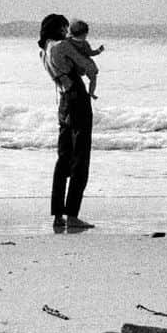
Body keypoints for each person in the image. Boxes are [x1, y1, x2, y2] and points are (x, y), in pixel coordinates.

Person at [39, 14, 98, 230]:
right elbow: (87, 68)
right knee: (80, 159)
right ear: (60, 28)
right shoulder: (63, 46)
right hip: (77, 99)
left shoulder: (43, 51)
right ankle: (73, 215)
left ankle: (58, 216)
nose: (67, 31)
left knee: (63, 159)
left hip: (63, 101)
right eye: (65, 27)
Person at [65, 19, 104, 99]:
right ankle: (91, 93)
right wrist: (99, 50)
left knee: (73, 80)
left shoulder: (67, 41)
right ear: (85, 34)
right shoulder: (84, 43)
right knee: (93, 78)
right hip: (85, 64)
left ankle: (70, 91)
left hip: (73, 64)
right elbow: (91, 53)